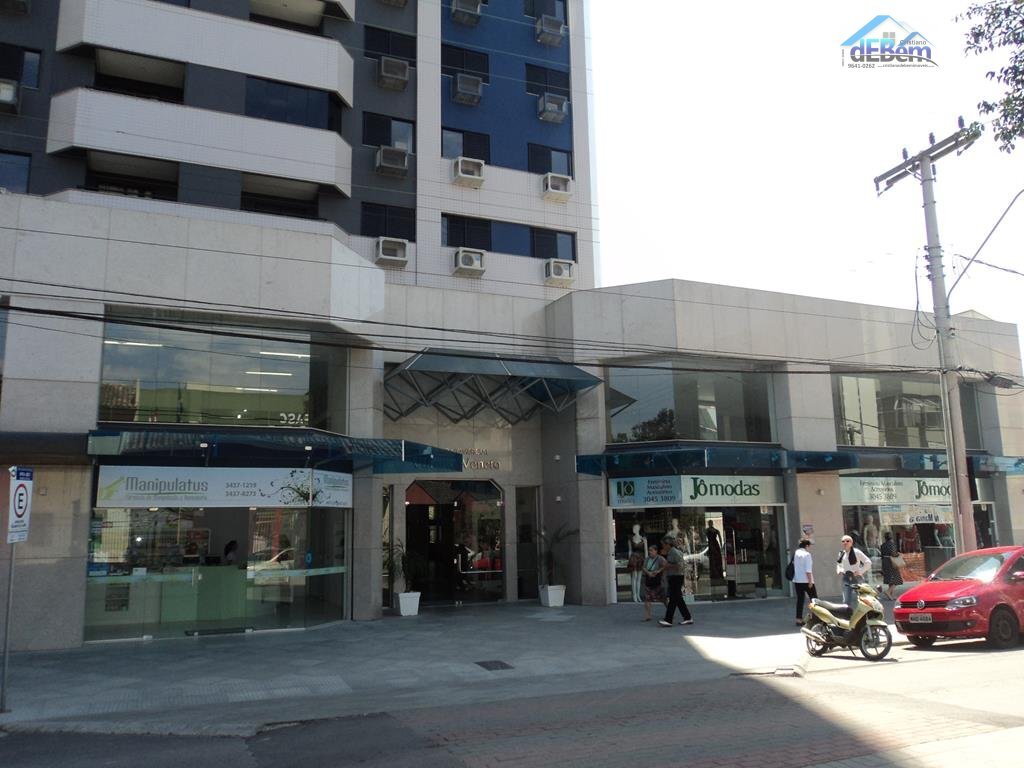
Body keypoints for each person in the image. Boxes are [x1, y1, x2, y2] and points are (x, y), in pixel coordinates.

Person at [659, 536, 693, 627]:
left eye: (663, 544)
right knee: (678, 599)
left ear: (668, 544)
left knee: (673, 599)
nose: (663, 546)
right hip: (674, 576)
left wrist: (667, 565)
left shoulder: (674, 552)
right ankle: (687, 617)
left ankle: (668, 619)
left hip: (676, 576)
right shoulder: (671, 552)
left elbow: (680, 565)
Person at [836, 534, 872, 606]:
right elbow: (839, 564)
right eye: (843, 541)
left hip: (856, 578)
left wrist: (860, 571)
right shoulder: (841, 553)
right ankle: (848, 612)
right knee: (846, 601)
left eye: (847, 541)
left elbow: (868, 562)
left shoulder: (856, 552)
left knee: (863, 599)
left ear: (851, 543)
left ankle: (865, 612)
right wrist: (839, 570)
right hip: (846, 578)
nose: (845, 542)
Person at [792, 539, 816, 625]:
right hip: (806, 580)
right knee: (814, 599)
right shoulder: (807, 554)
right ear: (807, 546)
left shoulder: (796, 553)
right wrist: (810, 581)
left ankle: (798, 619)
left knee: (800, 600)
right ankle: (815, 618)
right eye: (809, 546)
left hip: (797, 580)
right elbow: (808, 570)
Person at [641, 544, 666, 621]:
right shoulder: (647, 559)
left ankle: (670, 612)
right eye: (649, 550)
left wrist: (658, 571)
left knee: (663, 599)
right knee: (647, 598)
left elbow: (665, 566)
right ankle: (647, 616)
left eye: (651, 550)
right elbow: (643, 567)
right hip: (649, 580)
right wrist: (648, 573)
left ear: (656, 551)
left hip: (658, 581)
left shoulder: (660, 558)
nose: (650, 552)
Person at [879, 531, 903, 600]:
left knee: (890, 579)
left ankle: (891, 595)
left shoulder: (883, 545)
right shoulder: (892, 544)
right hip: (891, 562)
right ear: (891, 537)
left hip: (885, 562)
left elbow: (881, 555)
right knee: (897, 578)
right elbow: (893, 553)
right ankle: (888, 591)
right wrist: (899, 554)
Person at [627, 536, 646, 604]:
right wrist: (629, 560)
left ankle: (638, 595)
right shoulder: (631, 539)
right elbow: (630, 550)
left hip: (641, 558)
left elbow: (645, 550)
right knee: (634, 577)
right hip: (634, 558)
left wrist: (646, 560)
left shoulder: (643, 539)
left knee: (639, 579)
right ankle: (634, 595)